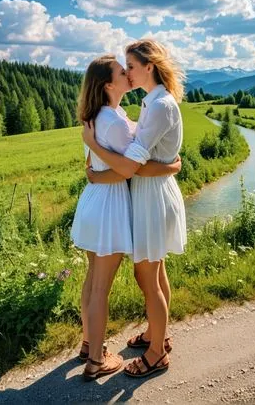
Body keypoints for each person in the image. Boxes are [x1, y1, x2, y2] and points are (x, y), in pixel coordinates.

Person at [72, 54, 181, 381]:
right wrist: (171, 166)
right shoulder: (115, 121)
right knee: (101, 286)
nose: (127, 74)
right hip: (109, 206)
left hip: (95, 202)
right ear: (109, 84)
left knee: (93, 280)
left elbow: (121, 155)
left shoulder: (108, 116)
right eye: (122, 71)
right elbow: (127, 168)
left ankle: (88, 343)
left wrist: (94, 168)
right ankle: (95, 361)